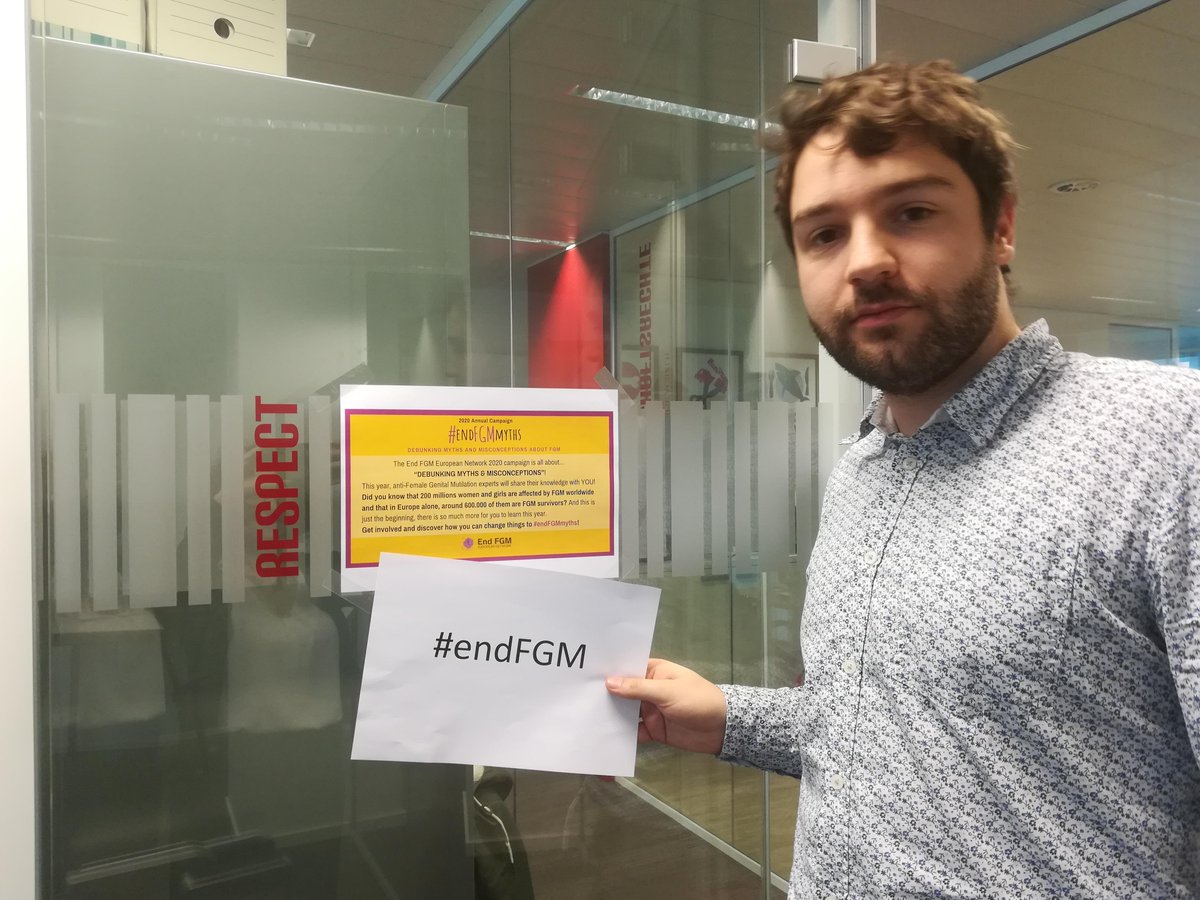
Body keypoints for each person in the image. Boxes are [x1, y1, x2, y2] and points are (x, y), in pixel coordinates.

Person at [606, 59, 1200, 898]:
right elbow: (887, 730)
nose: (866, 261)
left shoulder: (1168, 441)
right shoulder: (864, 470)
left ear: (1001, 226)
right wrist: (730, 718)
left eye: (912, 212)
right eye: (824, 234)